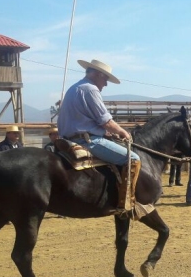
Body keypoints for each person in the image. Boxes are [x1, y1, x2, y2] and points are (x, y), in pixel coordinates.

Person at [57, 59, 139, 212]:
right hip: (87, 141)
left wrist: (105, 132)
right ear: (98, 74)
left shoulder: (74, 88)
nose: (106, 84)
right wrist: (122, 132)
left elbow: (86, 121)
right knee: (134, 159)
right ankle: (127, 202)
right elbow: (106, 121)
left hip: (68, 138)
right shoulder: (90, 89)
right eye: (105, 79)